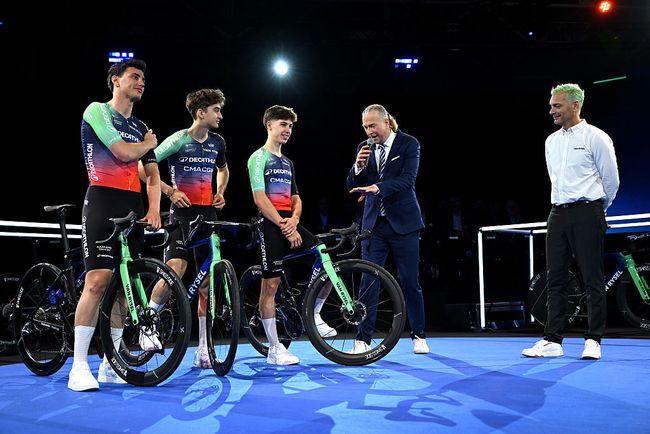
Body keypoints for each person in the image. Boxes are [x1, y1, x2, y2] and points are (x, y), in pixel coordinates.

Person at [68, 59, 161, 391]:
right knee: (97, 282)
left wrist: (154, 209)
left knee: (124, 287)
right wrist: (148, 145)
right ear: (115, 81)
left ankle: (112, 363)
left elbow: (152, 176)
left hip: (133, 206)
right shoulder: (97, 111)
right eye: (134, 76)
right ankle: (79, 366)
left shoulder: (141, 126)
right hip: (103, 200)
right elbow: (121, 152)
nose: (141, 82)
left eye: (143, 78)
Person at [522, 83, 619, 360]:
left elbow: (611, 180)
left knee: (592, 277)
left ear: (575, 106)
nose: (551, 111)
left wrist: (596, 209)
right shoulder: (550, 141)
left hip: (587, 211)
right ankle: (552, 339)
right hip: (557, 213)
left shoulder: (596, 137)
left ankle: (593, 339)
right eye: (551, 105)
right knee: (555, 278)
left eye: (557, 105)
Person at [142, 88, 229, 369]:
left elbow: (223, 170)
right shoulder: (179, 139)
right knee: (176, 269)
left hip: (208, 215)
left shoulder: (218, 142)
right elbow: (144, 169)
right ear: (201, 113)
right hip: (181, 214)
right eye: (216, 110)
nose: (220, 115)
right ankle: (148, 322)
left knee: (207, 282)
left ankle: (202, 349)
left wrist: (220, 191)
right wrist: (170, 191)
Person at [246, 105, 335, 365]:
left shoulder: (287, 162)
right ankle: (275, 349)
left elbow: (296, 197)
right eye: (283, 124)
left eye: (291, 126)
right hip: (269, 223)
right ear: (269, 125)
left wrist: (294, 220)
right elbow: (259, 198)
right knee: (271, 285)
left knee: (325, 259)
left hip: (288, 222)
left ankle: (313, 315)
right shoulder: (258, 157)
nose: (288, 130)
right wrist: (285, 225)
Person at [347, 104, 429, 354]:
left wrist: (378, 187)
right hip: (373, 225)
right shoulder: (364, 148)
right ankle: (362, 339)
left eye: (372, 125)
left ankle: (418, 335)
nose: (369, 131)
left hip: (404, 223)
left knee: (409, 280)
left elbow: (408, 180)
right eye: (365, 127)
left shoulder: (408, 144)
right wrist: (357, 167)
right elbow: (352, 184)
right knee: (368, 281)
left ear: (387, 122)